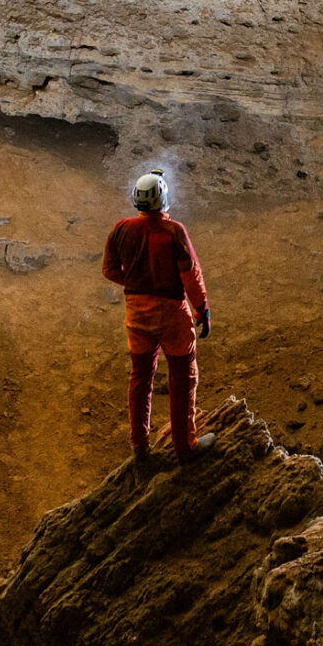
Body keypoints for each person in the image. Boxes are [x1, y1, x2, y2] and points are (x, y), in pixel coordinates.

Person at [102, 169, 215, 463]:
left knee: (140, 378)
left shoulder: (121, 230)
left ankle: (140, 447)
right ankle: (185, 446)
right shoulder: (174, 231)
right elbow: (190, 274)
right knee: (182, 377)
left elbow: (109, 270)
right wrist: (201, 308)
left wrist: (136, 283)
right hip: (171, 314)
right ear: (162, 198)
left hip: (136, 314)